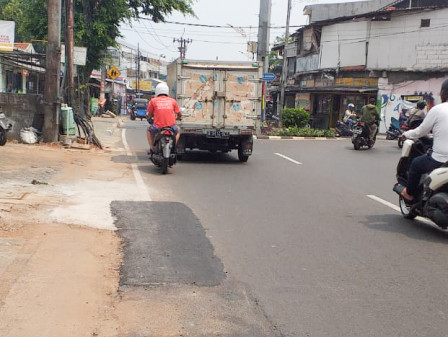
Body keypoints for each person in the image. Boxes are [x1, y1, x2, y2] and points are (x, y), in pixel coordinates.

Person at [394, 79, 448, 203]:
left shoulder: (437, 109)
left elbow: (421, 131)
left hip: (440, 159)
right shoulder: (424, 111)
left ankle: (409, 194)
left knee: (416, 164)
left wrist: (405, 134)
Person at [146, 82, 181, 153]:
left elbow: (149, 114)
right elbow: (179, 114)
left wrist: (149, 117)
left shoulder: (153, 101)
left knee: (148, 130)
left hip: (158, 127)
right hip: (171, 127)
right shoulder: (172, 101)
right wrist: (177, 118)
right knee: (178, 130)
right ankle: (174, 146)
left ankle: (151, 148)